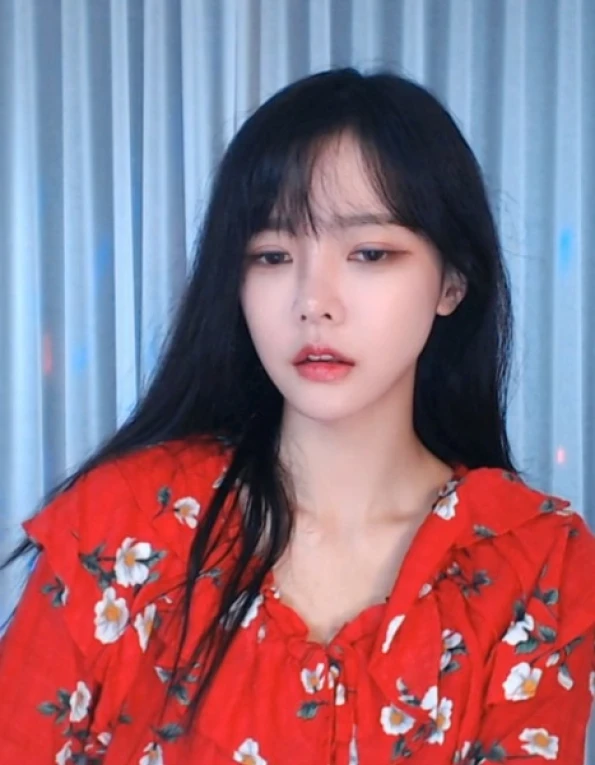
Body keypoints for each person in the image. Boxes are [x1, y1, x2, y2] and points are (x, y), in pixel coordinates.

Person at [0, 67, 593, 765]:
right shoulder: (121, 527)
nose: (313, 301)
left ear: (452, 282)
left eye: (369, 253)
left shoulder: (535, 564)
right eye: (273, 255)